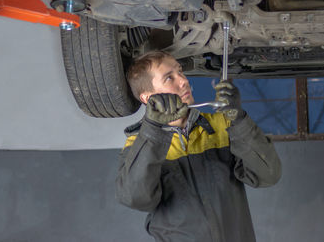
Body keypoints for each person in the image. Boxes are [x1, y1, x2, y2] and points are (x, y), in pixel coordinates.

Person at [115, 50, 281, 242]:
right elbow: (136, 198)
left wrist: (239, 119)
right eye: (169, 78)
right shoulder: (140, 145)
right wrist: (153, 132)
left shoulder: (222, 125)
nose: (183, 81)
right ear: (147, 97)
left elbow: (269, 175)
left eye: (180, 72)